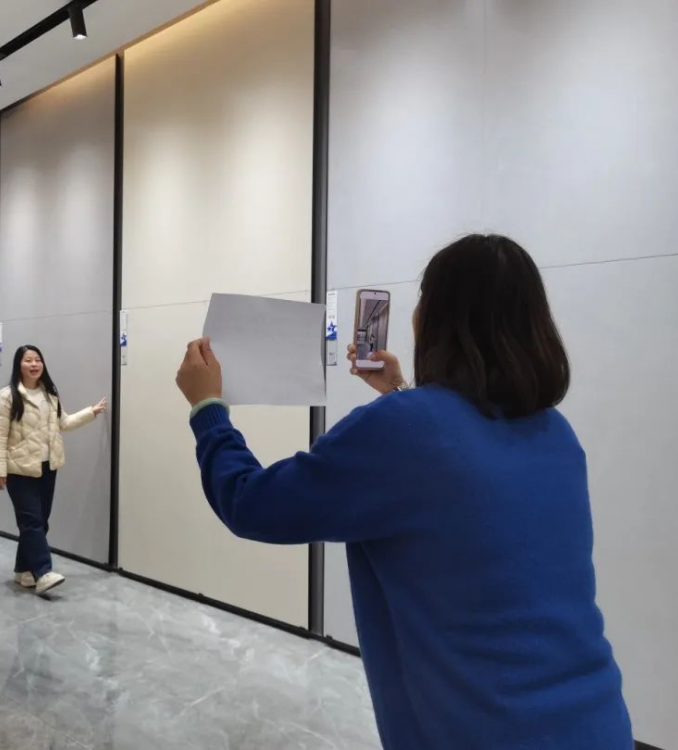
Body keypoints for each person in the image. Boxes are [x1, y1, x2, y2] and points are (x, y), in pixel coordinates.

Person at [175, 234, 633, 749]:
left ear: (434, 320)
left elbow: (251, 504)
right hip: (598, 723)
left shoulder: (405, 429)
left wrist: (207, 409)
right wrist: (399, 393)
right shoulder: (554, 432)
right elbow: (456, 482)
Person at [0, 345, 107, 595]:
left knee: (39, 522)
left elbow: (63, 423)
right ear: (18, 365)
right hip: (19, 469)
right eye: (28, 360)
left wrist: (91, 412)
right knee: (31, 521)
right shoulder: (7, 397)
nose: (34, 364)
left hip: (47, 466)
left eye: (37, 360)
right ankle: (43, 572)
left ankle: (23, 570)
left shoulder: (49, 394)